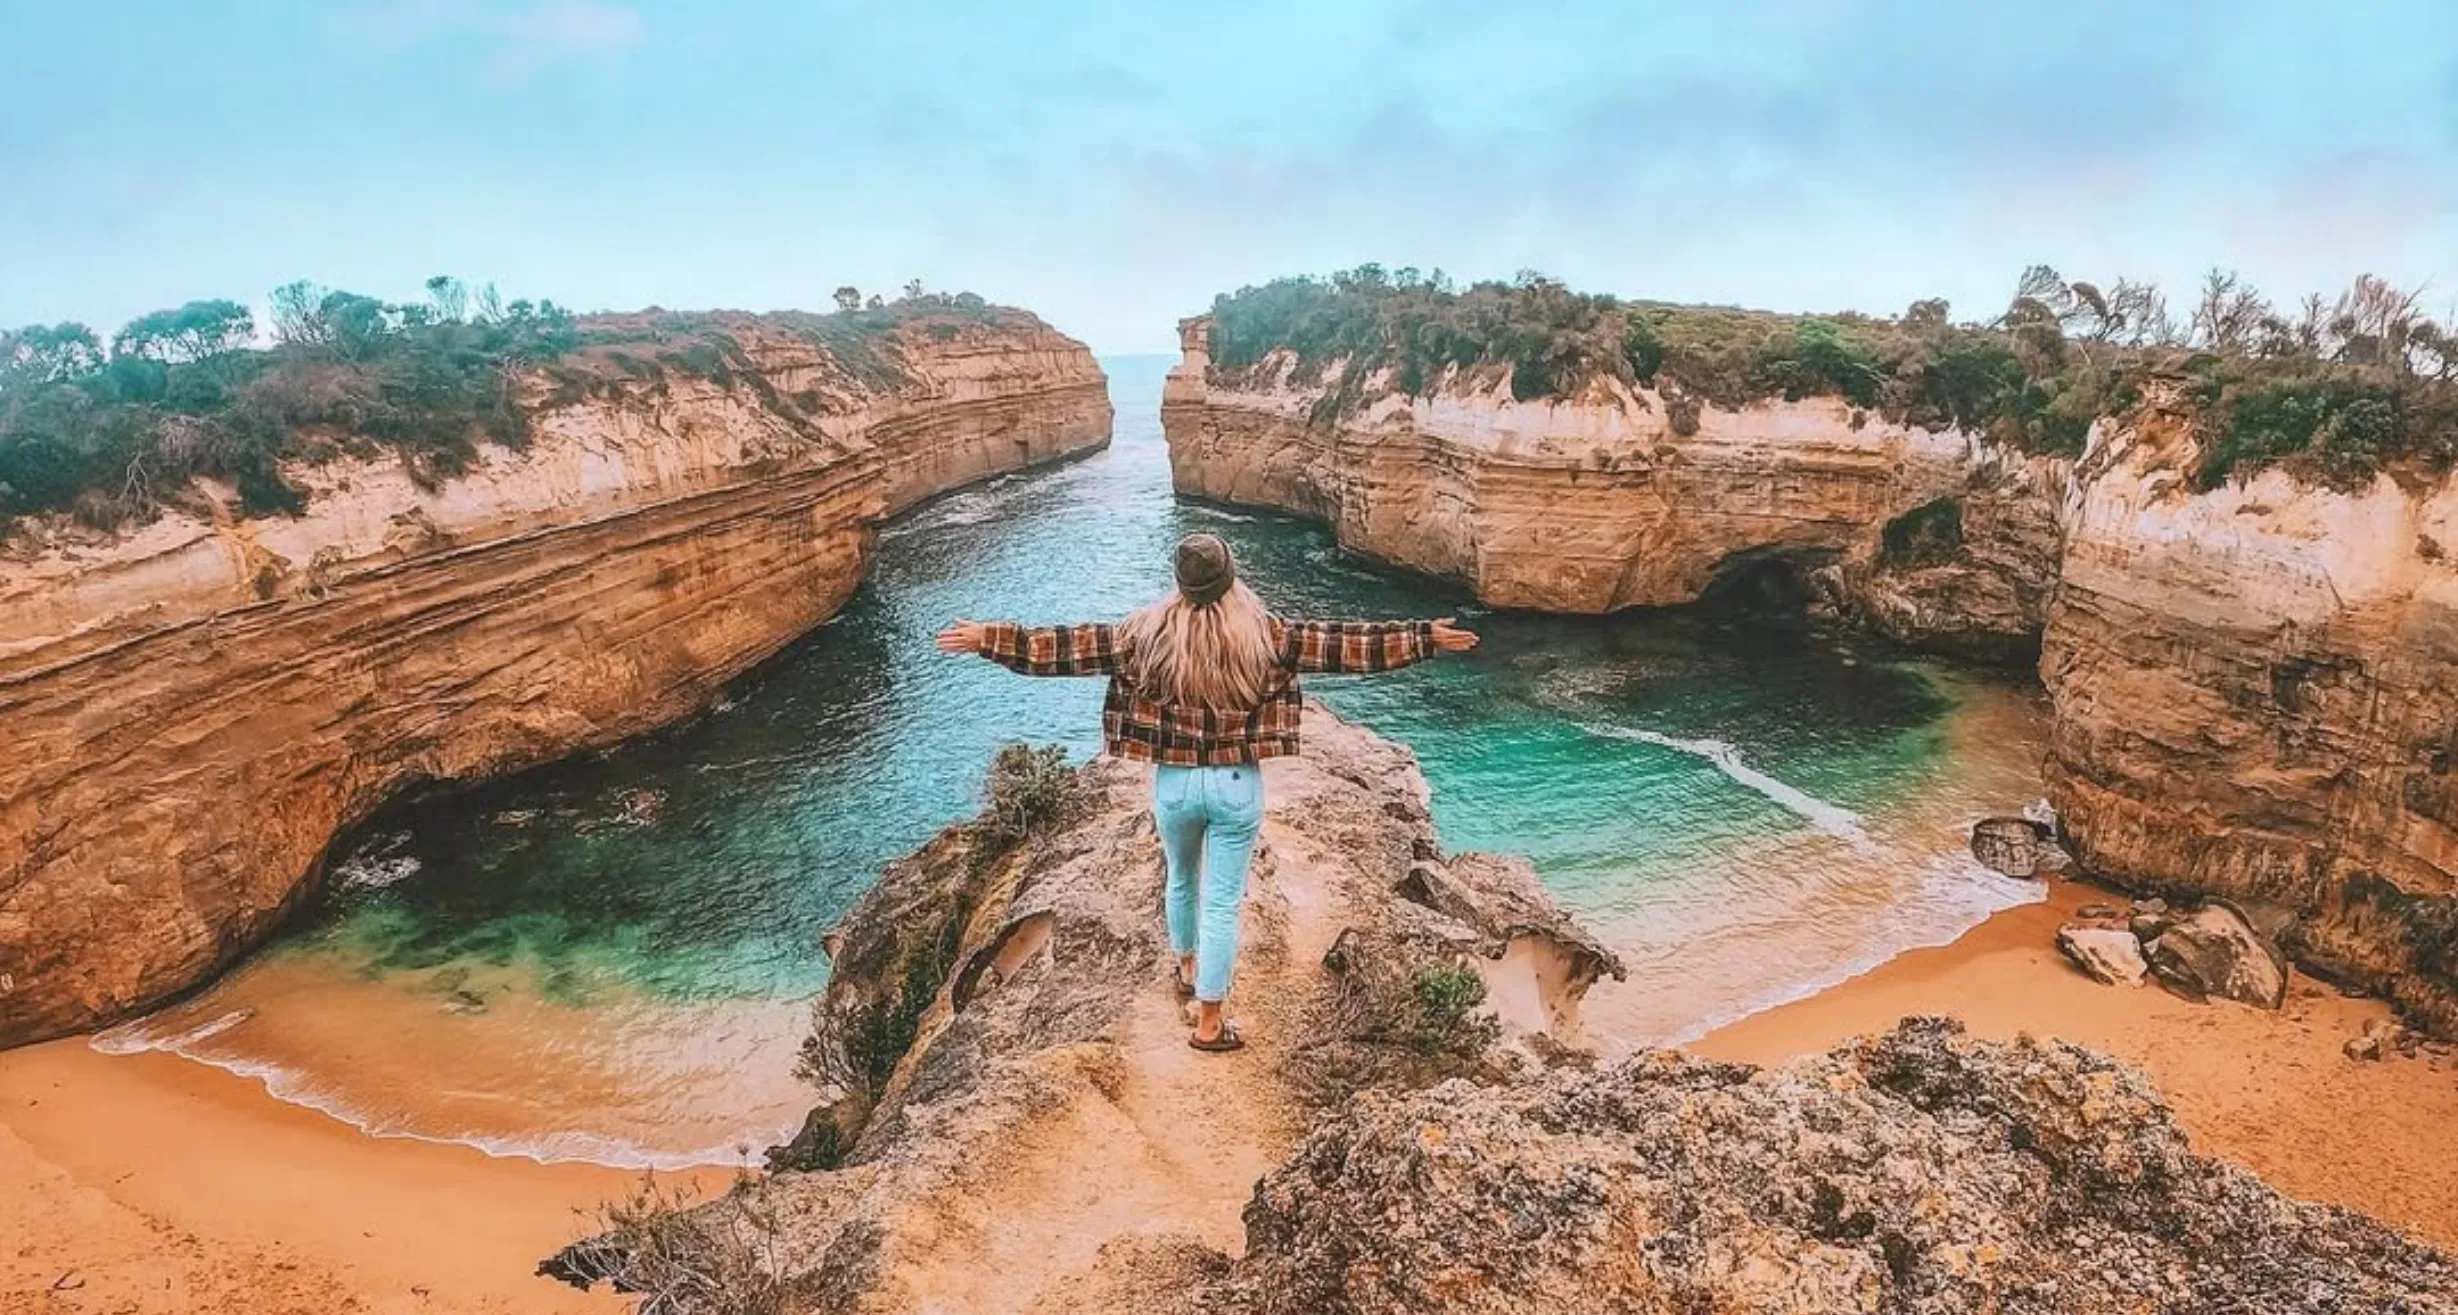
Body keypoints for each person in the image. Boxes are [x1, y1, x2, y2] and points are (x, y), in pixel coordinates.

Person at [936, 532, 1477, 1053]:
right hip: (1235, 783)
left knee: (1180, 878)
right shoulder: (1266, 634)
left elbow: (1060, 649)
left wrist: (990, 638)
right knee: (1222, 902)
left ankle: (1187, 967)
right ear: (1230, 577)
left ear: (1179, 581)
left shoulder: (1140, 635)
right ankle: (1211, 1022)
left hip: (1173, 782)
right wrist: (1426, 637)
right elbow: (1348, 646)